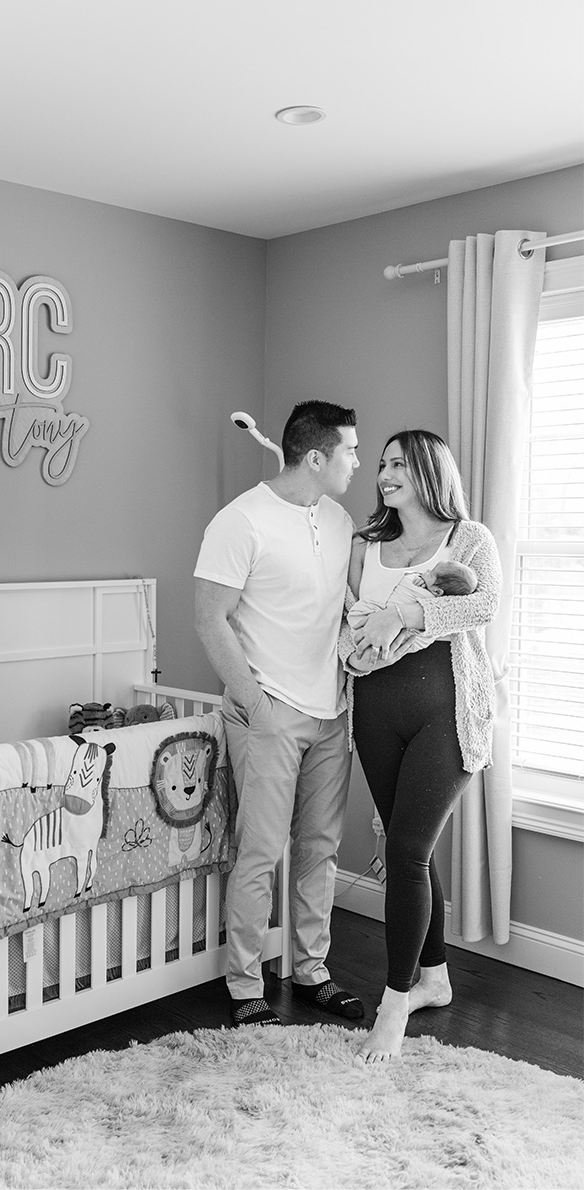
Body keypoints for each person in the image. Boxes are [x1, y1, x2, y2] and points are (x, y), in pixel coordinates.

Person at [194, 399, 364, 1028]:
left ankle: (312, 967)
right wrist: (256, 708)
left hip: (330, 711)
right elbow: (210, 621)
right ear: (315, 457)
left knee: (320, 847)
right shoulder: (240, 521)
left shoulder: (340, 518)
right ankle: (244, 981)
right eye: (349, 449)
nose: (357, 461)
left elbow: (345, 605)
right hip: (268, 710)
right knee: (260, 850)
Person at [340, 429, 501, 1062]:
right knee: (415, 848)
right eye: (380, 464)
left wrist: (406, 615)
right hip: (376, 713)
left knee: (405, 852)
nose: (384, 473)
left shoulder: (469, 539)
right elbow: (346, 616)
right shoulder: (368, 545)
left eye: (399, 464)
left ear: (432, 471)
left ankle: (395, 1001)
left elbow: (483, 603)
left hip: (447, 715)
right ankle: (433, 973)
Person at [347, 559, 478, 659]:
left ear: (437, 592)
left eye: (430, 573)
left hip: (414, 655)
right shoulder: (423, 583)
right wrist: (421, 579)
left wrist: (399, 616)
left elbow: (479, 610)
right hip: (366, 637)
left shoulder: (435, 603)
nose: (426, 571)